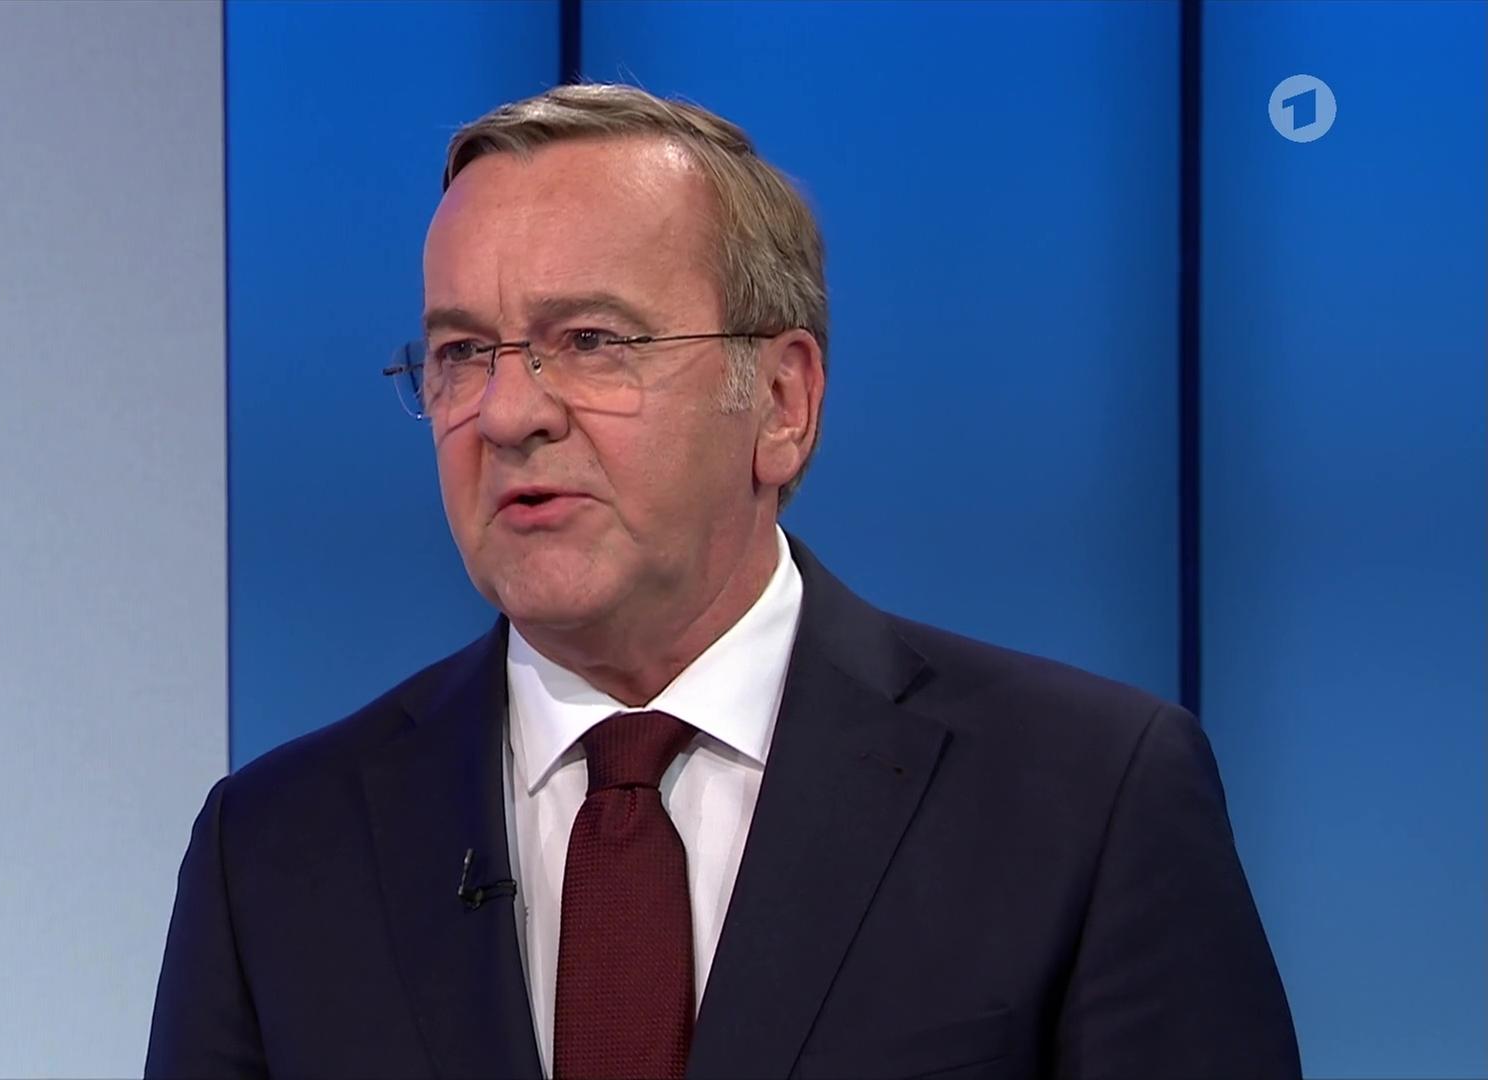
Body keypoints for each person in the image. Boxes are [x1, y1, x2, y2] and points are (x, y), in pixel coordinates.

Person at [145, 83, 1300, 1080]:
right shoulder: (276, 850)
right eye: (461, 355)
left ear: (782, 403)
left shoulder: (1085, 799)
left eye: (591, 342)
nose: (506, 414)